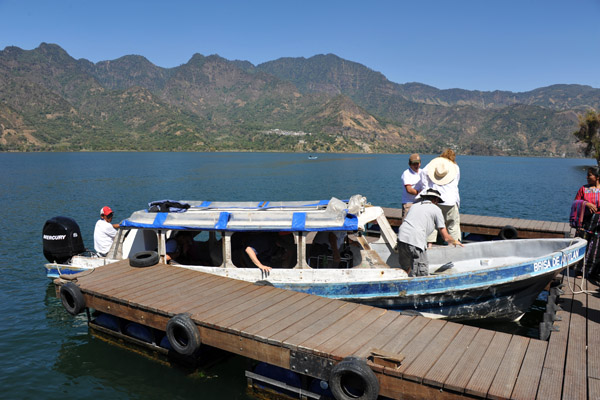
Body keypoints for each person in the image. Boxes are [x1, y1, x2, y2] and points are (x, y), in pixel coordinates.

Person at [397, 189, 463, 276]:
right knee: (421, 272)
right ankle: (420, 288)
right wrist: (455, 241)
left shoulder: (414, 206)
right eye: (438, 201)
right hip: (416, 240)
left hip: (401, 237)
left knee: (405, 270)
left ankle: (403, 286)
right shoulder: (436, 209)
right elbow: (445, 237)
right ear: (435, 200)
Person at [422, 149, 461, 246]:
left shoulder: (435, 166)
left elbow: (423, 172)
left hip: (436, 200)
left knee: (433, 224)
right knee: (453, 225)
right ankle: (453, 245)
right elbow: (457, 182)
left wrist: (427, 187)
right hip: (451, 200)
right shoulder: (455, 167)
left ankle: (429, 245)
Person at [572, 166, 600, 279]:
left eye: (590, 175)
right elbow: (575, 202)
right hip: (585, 221)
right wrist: (585, 203)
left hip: (598, 222)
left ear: (597, 177)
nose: (587, 177)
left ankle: (594, 272)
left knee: (597, 247)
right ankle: (578, 270)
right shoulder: (583, 189)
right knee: (582, 243)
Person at [401, 153, 424, 218]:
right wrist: (420, 193)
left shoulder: (423, 172)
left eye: (418, 163)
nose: (416, 165)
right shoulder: (406, 173)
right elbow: (409, 189)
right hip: (409, 203)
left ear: (420, 163)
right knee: (406, 225)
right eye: (414, 164)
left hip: (420, 203)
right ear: (409, 164)